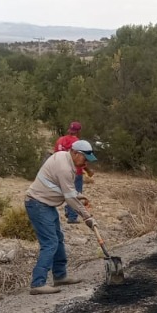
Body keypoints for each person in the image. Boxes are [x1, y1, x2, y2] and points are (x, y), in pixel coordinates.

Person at [24, 139, 98, 295]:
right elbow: (69, 198)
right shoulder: (65, 167)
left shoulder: (65, 158)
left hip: (46, 204)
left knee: (58, 238)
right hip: (38, 204)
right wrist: (87, 217)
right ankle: (38, 283)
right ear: (76, 153)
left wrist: (78, 195)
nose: (85, 163)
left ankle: (60, 276)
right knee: (50, 242)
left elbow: (65, 189)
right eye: (85, 158)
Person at [54, 122, 87, 223]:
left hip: (60, 170)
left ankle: (68, 211)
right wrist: (88, 170)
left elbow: (55, 155)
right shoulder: (78, 143)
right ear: (78, 131)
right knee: (75, 193)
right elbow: (81, 159)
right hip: (76, 171)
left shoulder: (60, 140)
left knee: (66, 191)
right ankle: (72, 217)